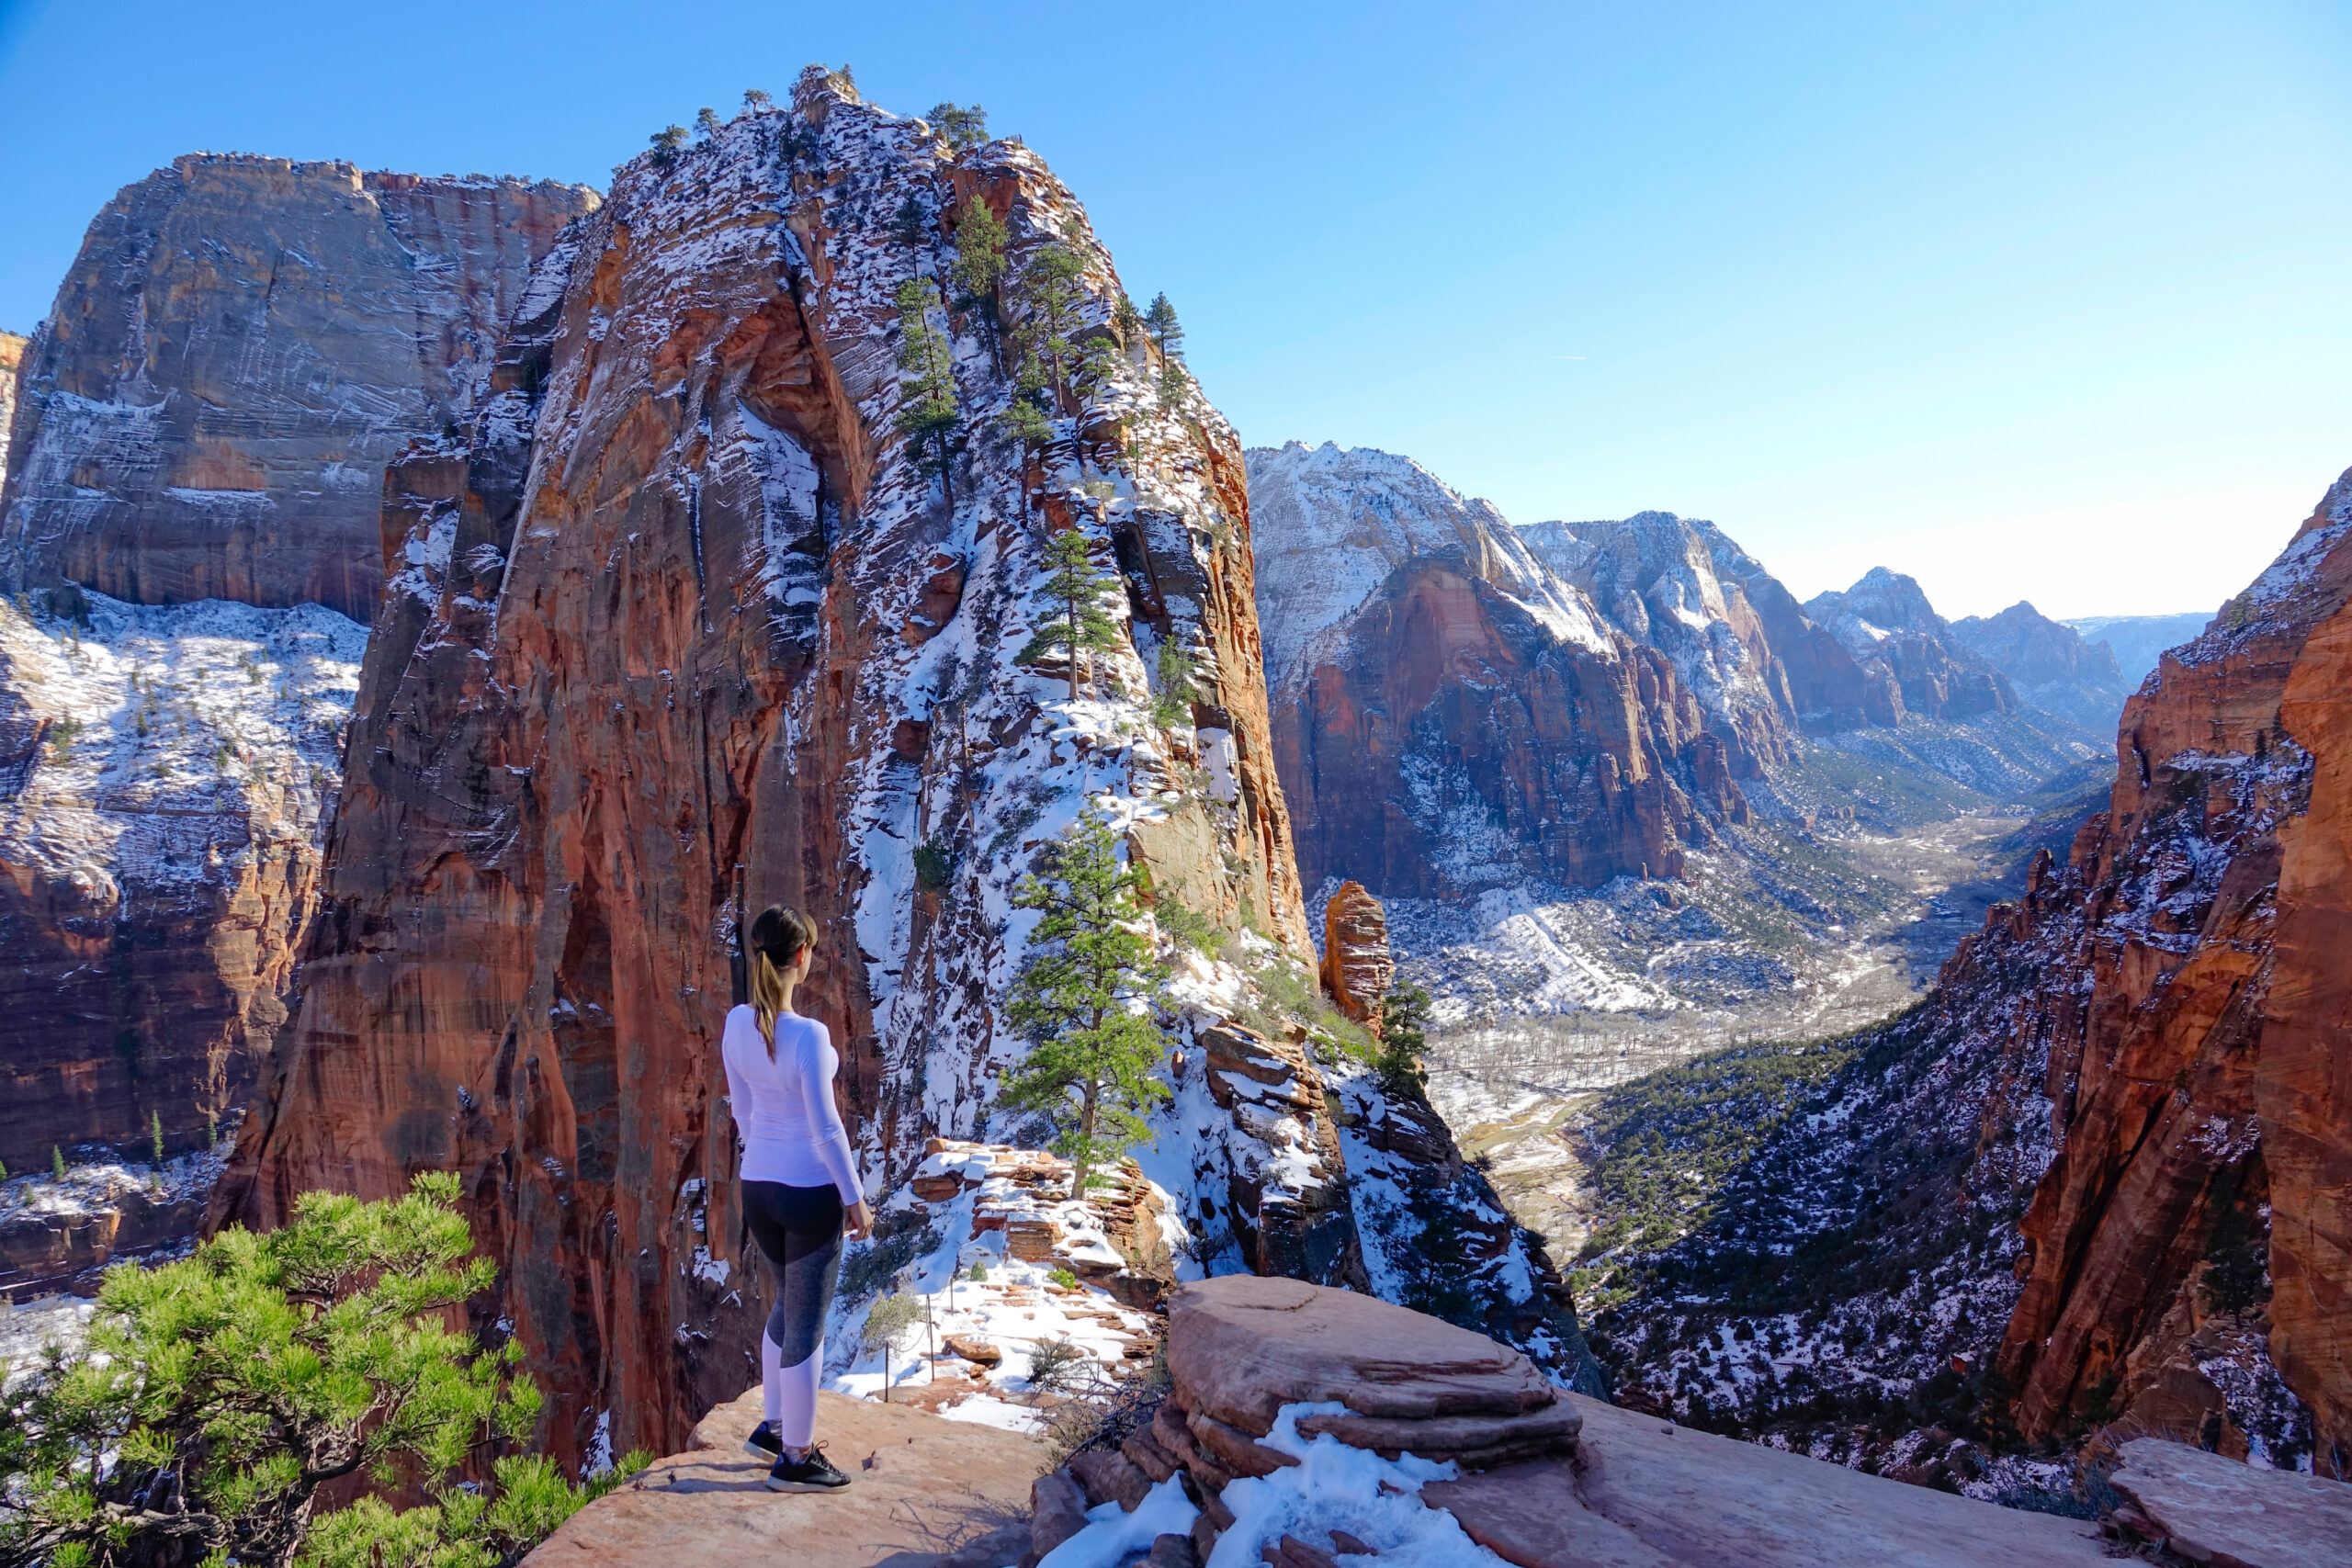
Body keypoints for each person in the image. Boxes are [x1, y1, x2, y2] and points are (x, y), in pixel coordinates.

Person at [721, 904, 873, 1494]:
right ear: (801, 955)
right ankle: (795, 1457)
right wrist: (854, 1199)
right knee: (808, 1318)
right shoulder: (809, 1035)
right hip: (809, 1193)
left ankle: (773, 1425)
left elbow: (742, 1110)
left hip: (757, 1186)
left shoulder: (738, 1024)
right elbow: (827, 1128)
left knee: (786, 1300)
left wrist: (764, 1154)